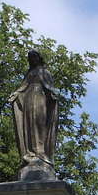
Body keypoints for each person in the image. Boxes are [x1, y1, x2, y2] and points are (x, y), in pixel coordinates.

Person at [9, 49, 60, 179]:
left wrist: (53, 94)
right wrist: (16, 94)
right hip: (28, 101)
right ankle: (31, 153)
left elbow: (50, 87)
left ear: (39, 58)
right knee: (29, 126)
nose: (32, 59)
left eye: (34, 57)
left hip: (40, 99)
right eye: (30, 57)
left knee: (39, 125)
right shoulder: (29, 73)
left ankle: (41, 153)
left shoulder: (45, 72)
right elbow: (22, 87)